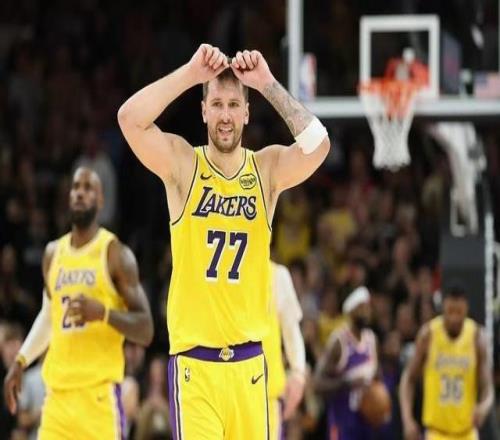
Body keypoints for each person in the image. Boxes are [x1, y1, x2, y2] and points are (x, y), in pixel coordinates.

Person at [118, 43, 330, 439]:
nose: (226, 115)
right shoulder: (183, 165)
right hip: (196, 368)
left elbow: (319, 145)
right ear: (203, 111)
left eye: (234, 105)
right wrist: (190, 74)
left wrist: (267, 84)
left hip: (250, 367)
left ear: (247, 112)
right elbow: (129, 119)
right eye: (217, 104)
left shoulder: (265, 170)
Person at [3, 167, 154, 439]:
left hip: (98, 401)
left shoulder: (115, 254)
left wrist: (104, 314)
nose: (80, 193)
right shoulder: (53, 253)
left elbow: (146, 329)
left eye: (88, 188)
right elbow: (48, 316)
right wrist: (21, 360)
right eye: (75, 187)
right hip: (57, 400)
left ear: (101, 200)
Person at [399, 284, 494, 440]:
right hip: (437, 432)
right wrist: (407, 419)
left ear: (466, 309)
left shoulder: (476, 337)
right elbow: (408, 379)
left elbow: (488, 387)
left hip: (467, 432)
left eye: (458, 312)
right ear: (443, 308)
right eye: (450, 311)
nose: (454, 318)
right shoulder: (428, 334)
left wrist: (484, 406)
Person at [314, 286, 379, 440]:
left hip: (366, 421)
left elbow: (376, 377)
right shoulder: (339, 341)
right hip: (343, 422)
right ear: (351, 312)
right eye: (361, 308)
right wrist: (346, 383)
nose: (366, 312)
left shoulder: (371, 339)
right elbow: (317, 384)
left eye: (368, 307)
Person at [262, 261, 306, 439]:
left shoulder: (276, 275)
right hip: (221, 388)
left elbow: (292, 331)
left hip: (266, 394)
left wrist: (298, 373)